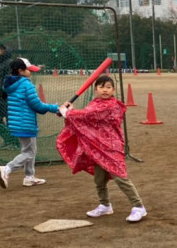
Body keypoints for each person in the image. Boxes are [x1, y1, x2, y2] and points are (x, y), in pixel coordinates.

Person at [57, 75, 147, 223]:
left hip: (111, 147)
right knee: (99, 179)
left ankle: (138, 206)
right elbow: (86, 117)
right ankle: (105, 205)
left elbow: (89, 115)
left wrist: (68, 113)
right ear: (96, 89)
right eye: (101, 87)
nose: (105, 90)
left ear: (114, 90)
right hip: (97, 148)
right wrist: (69, 112)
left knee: (121, 177)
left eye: (108, 87)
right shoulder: (94, 103)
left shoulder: (112, 105)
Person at [0, 57, 61, 189]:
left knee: (29, 150)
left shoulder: (10, 84)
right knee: (29, 152)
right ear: (20, 71)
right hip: (25, 123)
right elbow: (38, 106)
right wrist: (55, 108)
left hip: (17, 123)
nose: (30, 72)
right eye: (28, 70)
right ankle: (7, 169)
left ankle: (29, 177)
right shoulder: (26, 84)